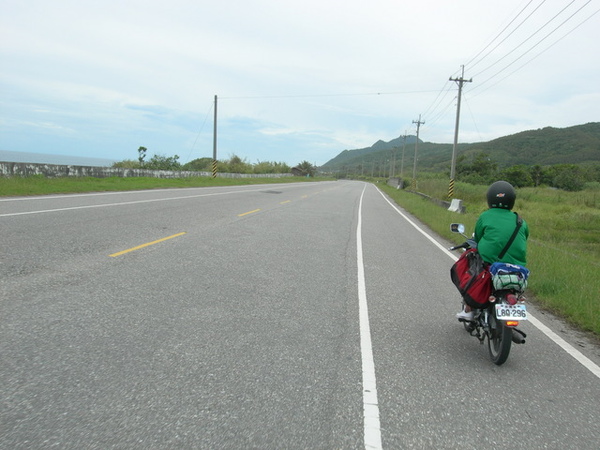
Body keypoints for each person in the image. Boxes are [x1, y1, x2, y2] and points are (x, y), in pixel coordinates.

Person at [456, 180, 529, 320]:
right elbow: (525, 237)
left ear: (490, 199)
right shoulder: (520, 221)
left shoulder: (485, 216)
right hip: (517, 268)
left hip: (490, 263)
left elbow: (477, 238)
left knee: (468, 268)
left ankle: (469, 308)